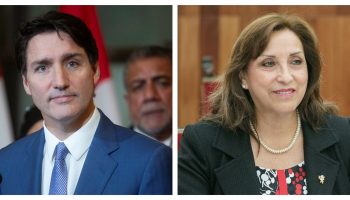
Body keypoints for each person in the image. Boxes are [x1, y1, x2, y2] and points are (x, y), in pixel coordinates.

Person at [0, 11, 171, 195]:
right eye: (42, 68)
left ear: (95, 70)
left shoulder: (149, 160)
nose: (60, 82)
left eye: (72, 63)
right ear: (26, 83)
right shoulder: (5, 163)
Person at [178, 13, 350, 195]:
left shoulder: (344, 135)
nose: (285, 77)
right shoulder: (202, 143)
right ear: (243, 76)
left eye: (296, 61)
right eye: (269, 63)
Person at [124, 46, 172, 146]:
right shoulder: (109, 154)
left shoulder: (195, 147)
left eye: (162, 83)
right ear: (128, 100)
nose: (150, 95)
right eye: (138, 86)